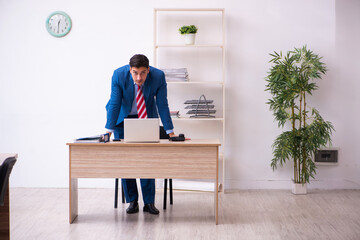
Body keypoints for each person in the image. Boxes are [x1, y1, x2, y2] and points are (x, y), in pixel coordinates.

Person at [105, 54, 175, 215]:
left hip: (146, 118)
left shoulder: (158, 76)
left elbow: (162, 104)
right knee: (126, 160)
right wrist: (109, 131)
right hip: (122, 118)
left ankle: (149, 202)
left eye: (143, 73)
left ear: (148, 70)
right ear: (130, 70)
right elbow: (115, 103)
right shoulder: (118, 75)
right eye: (135, 72)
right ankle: (132, 201)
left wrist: (170, 132)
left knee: (147, 159)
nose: (139, 77)